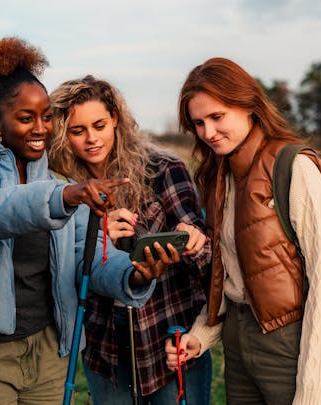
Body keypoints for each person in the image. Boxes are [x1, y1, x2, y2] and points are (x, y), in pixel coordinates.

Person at [0, 37, 173, 405]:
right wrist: (63, 197)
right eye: (26, 118)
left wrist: (135, 273)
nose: (41, 129)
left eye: (46, 117)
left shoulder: (59, 184)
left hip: (49, 354)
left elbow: (86, 258)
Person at [165, 57, 321, 404]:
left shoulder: (295, 169)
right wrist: (200, 336)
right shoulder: (220, 174)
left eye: (217, 117)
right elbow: (232, 275)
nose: (208, 132)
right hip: (237, 342)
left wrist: (310, 393)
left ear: (249, 105)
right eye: (199, 123)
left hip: (291, 343)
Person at [49, 75, 212, 404]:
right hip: (105, 348)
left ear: (115, 119)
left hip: (168, 341)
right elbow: (59, 267)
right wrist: (93, 231)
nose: (91, 139)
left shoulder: (163, 168)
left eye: (99, 125)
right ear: (63, 135)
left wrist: (192, 240)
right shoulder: (61, 189)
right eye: (78, 131)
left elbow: (207, 252)